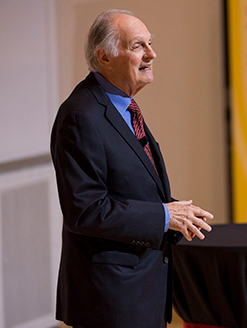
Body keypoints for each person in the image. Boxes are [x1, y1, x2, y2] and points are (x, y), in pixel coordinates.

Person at [50, 9, 213, 328]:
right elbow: (85, 210)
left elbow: (128, 188)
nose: (152, 54)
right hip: (110, 300)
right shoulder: (81, 116)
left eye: (150, 44)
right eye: (138, 45)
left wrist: (177, 213)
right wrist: (165, 216)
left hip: (140, 290)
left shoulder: (123, 107)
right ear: (105, 56)